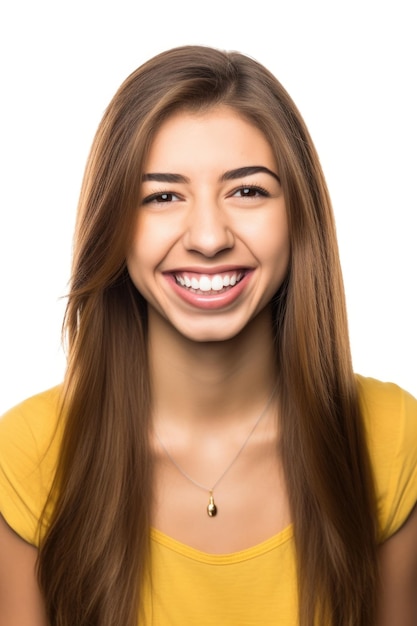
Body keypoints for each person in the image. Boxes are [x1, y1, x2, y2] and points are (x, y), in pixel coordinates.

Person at [0, 45, 416, 626]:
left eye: (247, 191)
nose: (208, 236)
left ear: (299, 216)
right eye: (162, 196)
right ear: (113, 227)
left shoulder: (392, 437)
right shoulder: (28, 455)